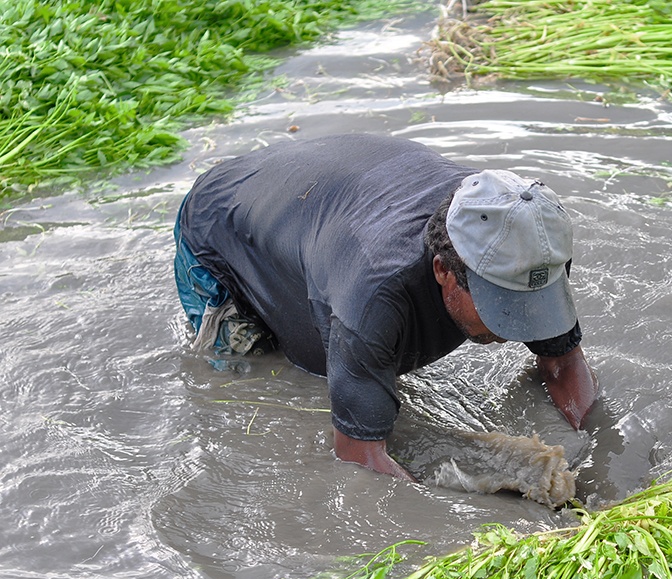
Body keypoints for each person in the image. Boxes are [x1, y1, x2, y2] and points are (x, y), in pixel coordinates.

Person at [173, 134, 598, 482]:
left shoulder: (521, 242)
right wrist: (489, 494)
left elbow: (563, 365)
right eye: (500, 304)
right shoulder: (375, 295)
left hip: (330, 191)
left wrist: (594, 456)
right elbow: (361, 461)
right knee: (253, 377)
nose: (515, 325)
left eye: (529, 302)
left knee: (360, 369)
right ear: (442, 271)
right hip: (220, 230)